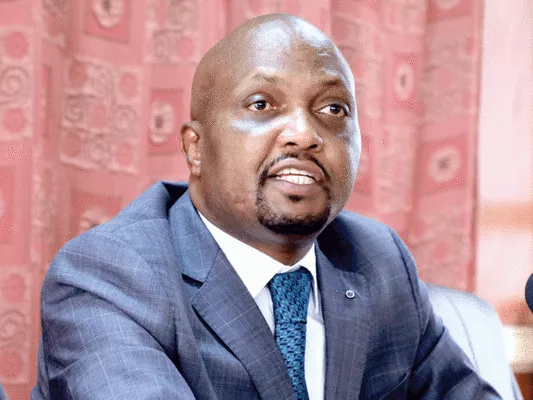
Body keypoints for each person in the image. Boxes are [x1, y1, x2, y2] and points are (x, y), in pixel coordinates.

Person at [32, 13, 501, 400]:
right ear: (196, 148)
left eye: (333, 109)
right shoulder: (109, 276)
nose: (304, 133)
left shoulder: (379, 261)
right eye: (261, 105)